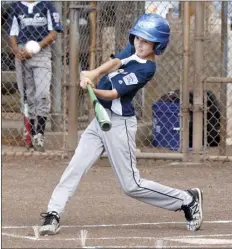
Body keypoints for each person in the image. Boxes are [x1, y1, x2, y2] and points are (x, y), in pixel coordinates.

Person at [39, 14, 203, 235]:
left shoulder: (147, 69)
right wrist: (94, 73)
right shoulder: (135, 50)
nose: (139, 43)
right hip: (100, 120)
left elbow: (113, 93)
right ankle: (53, 213)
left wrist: (90, 89)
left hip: (119, 125)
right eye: (137, 38)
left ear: (158, 44)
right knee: (75, 166)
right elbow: (116, 61)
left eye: (146, 41)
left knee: (131, 185)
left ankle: (186, 199)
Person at [8, 0, 63, 152]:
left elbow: (53, 34)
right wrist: (15, 50)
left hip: (41, 52)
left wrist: (37, 46)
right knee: (27, 95)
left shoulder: (47, 6)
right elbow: (12, 33)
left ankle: (40, 133)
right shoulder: (17, 7)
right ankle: (31, 134)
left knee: (43, 93)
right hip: (22, 53)